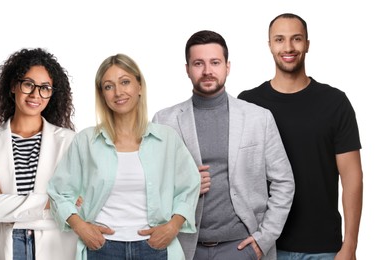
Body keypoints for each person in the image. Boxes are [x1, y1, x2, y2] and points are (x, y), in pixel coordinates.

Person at [152, 30, 295, 260]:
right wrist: (184, 184)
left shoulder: (259, 118)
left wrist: (263, 239)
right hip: (186, 247)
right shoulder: (164, 121)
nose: (207, 71)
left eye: (215, 62)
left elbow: (284, 182)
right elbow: (150, 186)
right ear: (187, 69)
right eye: (198, 63)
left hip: (242, 246)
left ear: (227, 67)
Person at [47, 53, 201, 260]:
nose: (118, 92)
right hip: (102, 248)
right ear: (102, 94)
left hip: (156, 247)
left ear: (139, 86)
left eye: (125, 82)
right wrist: (80, 227)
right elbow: (58, 191)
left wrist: (173, 226)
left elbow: (189, 186)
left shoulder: (166, 139)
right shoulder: (86, 141)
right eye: (108, 86)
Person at [238, 13, 363, 260]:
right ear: (270, 45)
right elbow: (235, 172)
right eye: (280, 39)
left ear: (307, 44)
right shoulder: (248, 103)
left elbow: (352, 177)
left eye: (296, 39)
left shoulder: (335, 102)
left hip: (324, 248)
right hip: (265, 245)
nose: (288, 47)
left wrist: (349, 246)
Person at [0, 48, 78, 260]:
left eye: (45, 88)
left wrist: (3, 201)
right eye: (28, 84)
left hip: (55, 247)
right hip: (3, 246)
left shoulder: (69, 141)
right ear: (13, 86)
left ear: (52, 93)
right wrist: (50, 202)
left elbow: (76, 204)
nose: (36, 94)